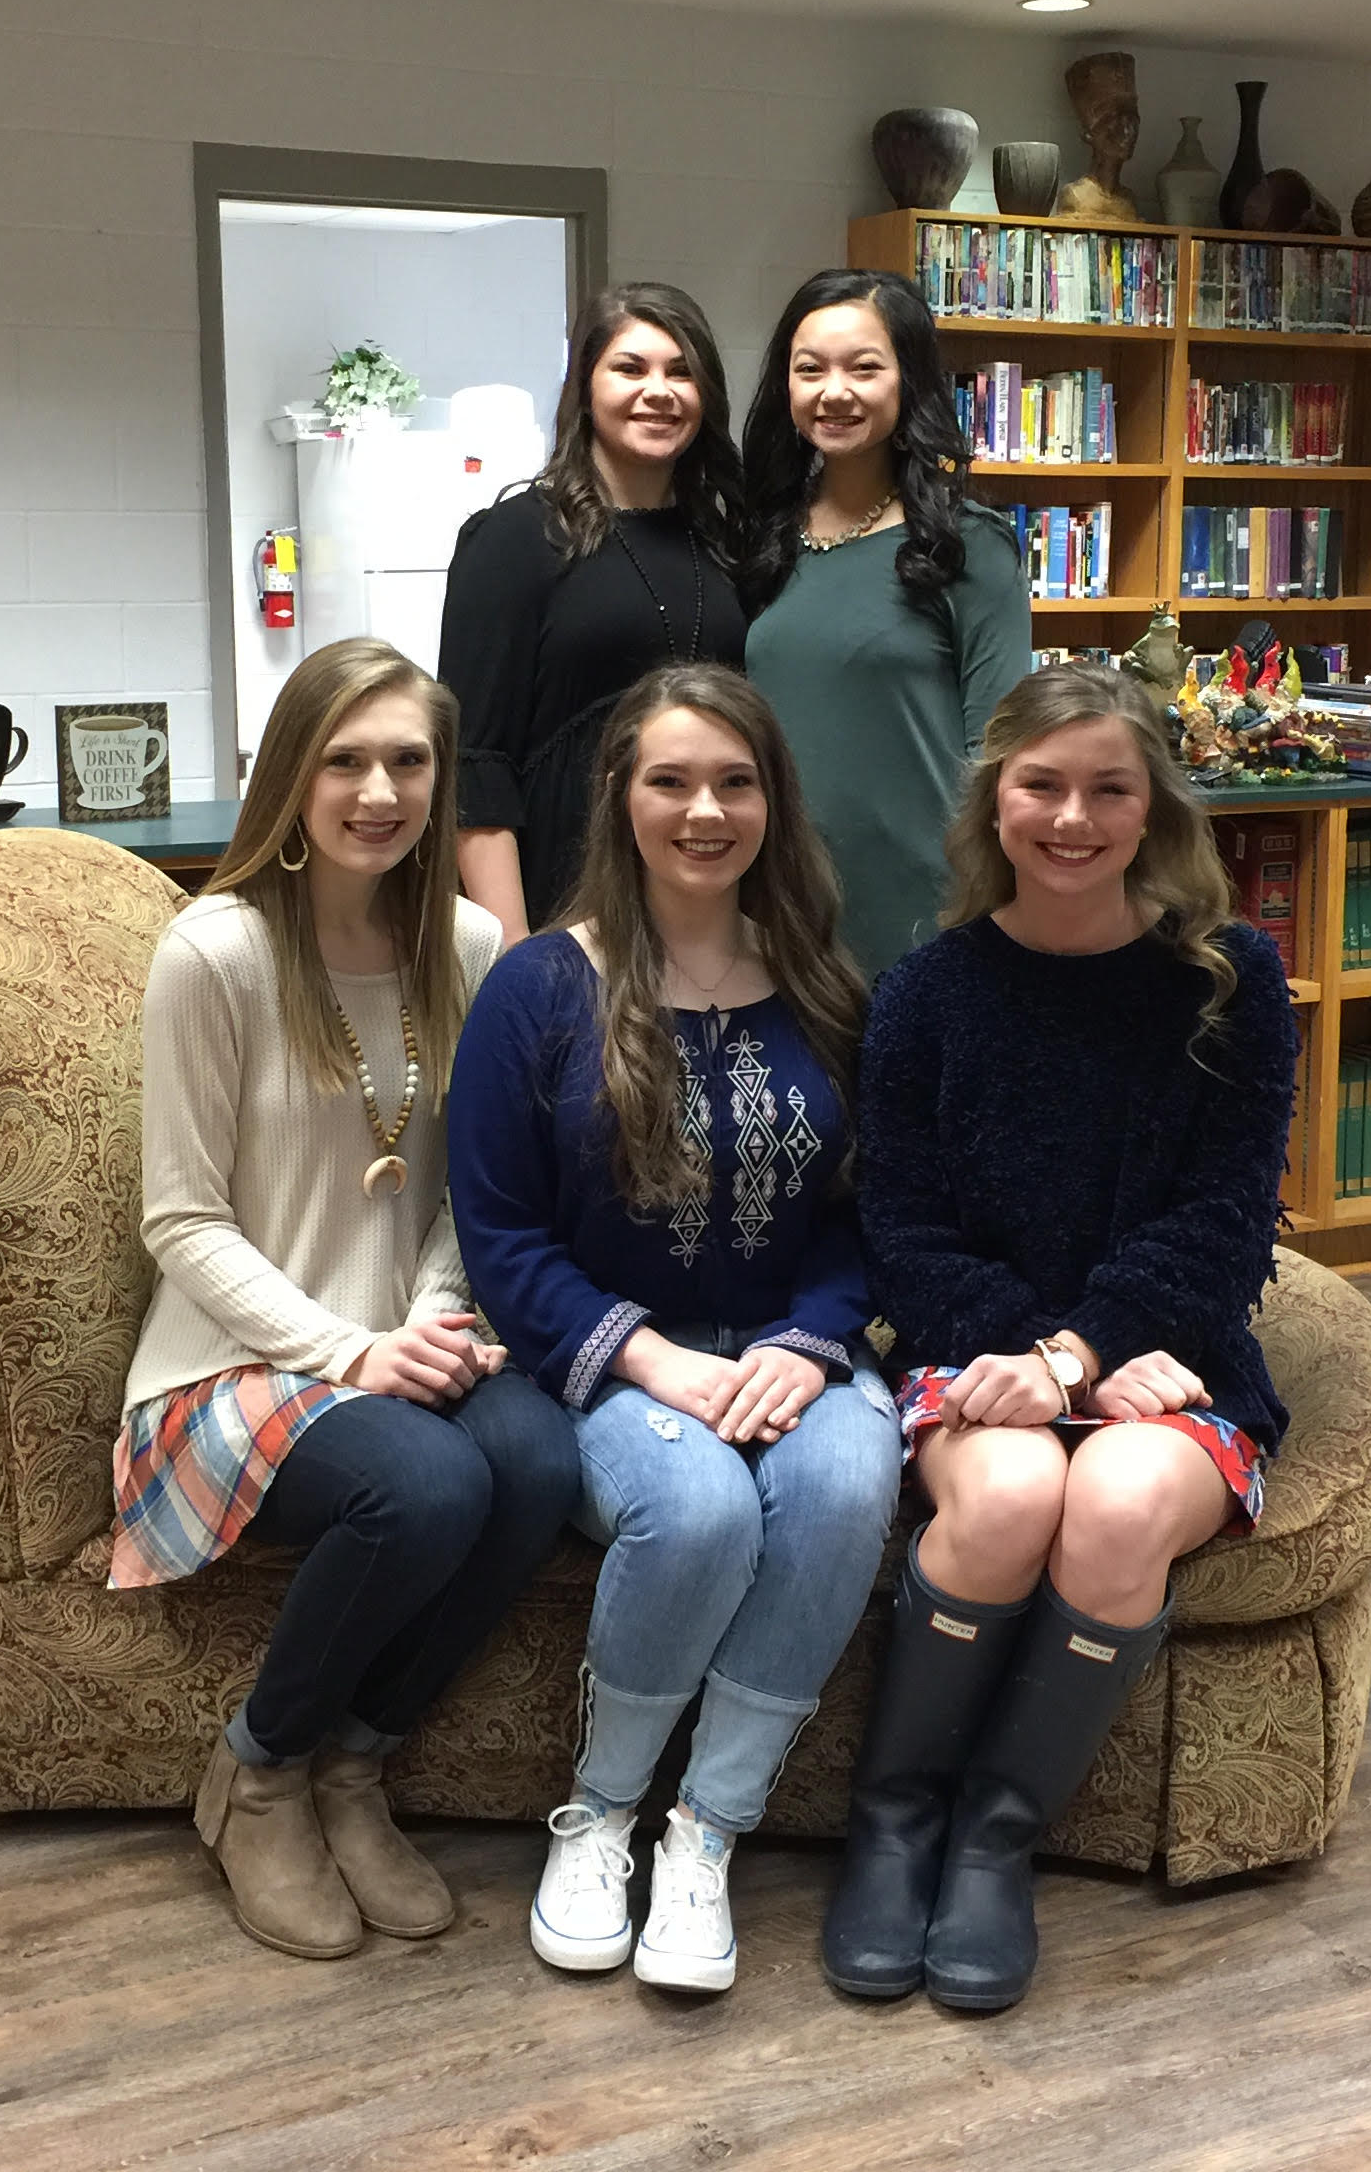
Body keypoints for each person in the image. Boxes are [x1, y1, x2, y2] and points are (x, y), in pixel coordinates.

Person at [828, 660, 1298, 2015]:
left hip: (1176, 1350)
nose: (1074, 819)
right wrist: (1046, 1359)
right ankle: (896, 1819)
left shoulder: (1229, 982)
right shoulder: (922, 994)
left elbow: (1227, 1221)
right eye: (1043, 785)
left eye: (1110, 789)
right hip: (976, 1343)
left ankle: (993, 1839)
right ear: (995, 800)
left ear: (1156, 810)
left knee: (1118, 1500)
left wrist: (1083, 1355)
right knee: (1017, 1492)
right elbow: (902, 1233)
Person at [110, 636, 579, 1961]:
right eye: (347, 760)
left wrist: (423, 1320)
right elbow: (179, 1217)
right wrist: (347, 1351)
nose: (380, 789)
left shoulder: (472, 942)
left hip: (412, 1339)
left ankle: (358, 1769)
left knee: (536, 1460)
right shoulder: (214, 951)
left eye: (410, 762)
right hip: (232, 1362)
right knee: (427, 1487)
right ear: (293, 777)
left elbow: (465, 1191)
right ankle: (257, 1776)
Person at [448, 663, 900, 1993]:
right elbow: (501, 1238)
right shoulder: (537, 988)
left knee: (848, 1477)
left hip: (789, 1350)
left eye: (736, 782)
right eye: (672, 781)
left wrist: (804, 1346)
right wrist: (655, 1360)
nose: (705, 810)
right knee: (699, 1509)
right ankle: (598, 1814)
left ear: (773, 800)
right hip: (613, 1361)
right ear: (619, 797)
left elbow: (863, 1218)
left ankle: (707, 1832)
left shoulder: (824, 984)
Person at [739, 267, 1032, 980]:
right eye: (810, 369)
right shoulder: (762, 539)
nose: (834, 391)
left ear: (909, 382)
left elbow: (1001, 750)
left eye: (864, 368)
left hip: (924, 911)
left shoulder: (969, 544)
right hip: (776, 903)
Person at [441, 283, 750, 945]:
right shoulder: (514, 539)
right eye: (630, 368)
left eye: (682, 372)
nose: (658, 390)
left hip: (707, 900)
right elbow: (476, 765)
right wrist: (514, 957)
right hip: (564, 898)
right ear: (585, 387)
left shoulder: (726, 545)